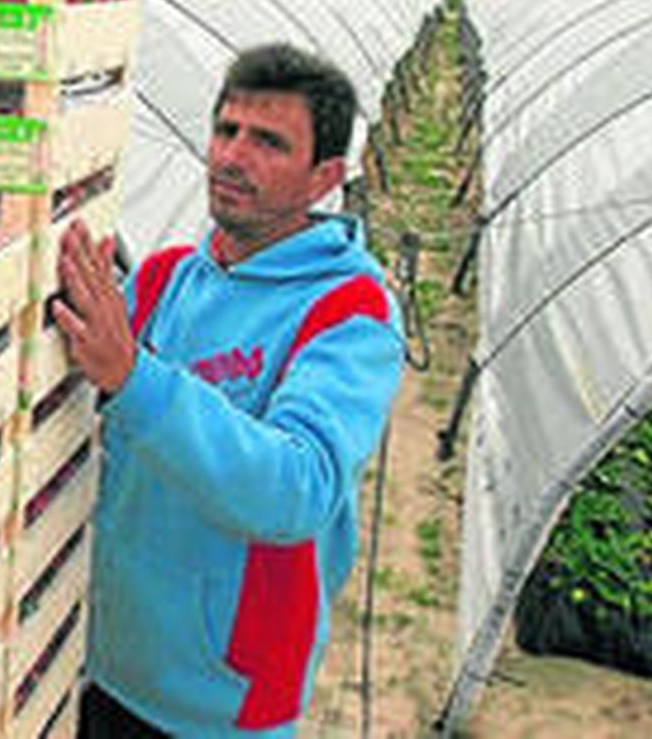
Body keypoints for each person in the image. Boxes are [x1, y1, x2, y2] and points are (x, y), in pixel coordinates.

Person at [54, 43, 405, 737]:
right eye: (227, 130)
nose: (233, 156)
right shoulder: (161, 280)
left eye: (269, 142)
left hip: (223, 703)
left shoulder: (349, 314)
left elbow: (298, 488)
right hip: (106, 663)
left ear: (324, 177)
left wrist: (136, 378)